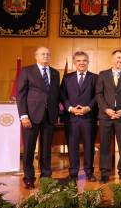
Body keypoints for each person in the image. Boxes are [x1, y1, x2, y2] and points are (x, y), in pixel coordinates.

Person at [16, 46, 60, 188]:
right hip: (31, 116)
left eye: (48, 54)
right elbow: (20, 95)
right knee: (29, 149)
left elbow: (55, 95)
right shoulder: (27, 71)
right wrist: (23, 116)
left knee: (46, 148)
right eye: (43, 54)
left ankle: (46, 177)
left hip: (49, 116)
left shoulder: (54, 73)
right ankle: (29, 178)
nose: (46, 56)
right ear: (36, 56)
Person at [95, 50, 121, 183]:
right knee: (105, 145)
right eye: (118, 57)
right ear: (112, 59)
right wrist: (107, 109)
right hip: (106, 116)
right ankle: (105, 173)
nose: (120, 60)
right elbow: (99, 94)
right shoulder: (103, 74)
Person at [60, 51, 98, 181]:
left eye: (84, 61)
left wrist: (88, 108)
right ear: (74, 63)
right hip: (71, 118)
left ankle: (89, 172)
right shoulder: (67, 78)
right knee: (72, 145)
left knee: (89, 145)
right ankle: (73, 172)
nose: (81, 63)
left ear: (88, 62)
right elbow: (62, 96)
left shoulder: (95, 78)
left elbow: (97, 96)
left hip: (88, 117)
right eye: (78, 61)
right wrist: (70, 108)